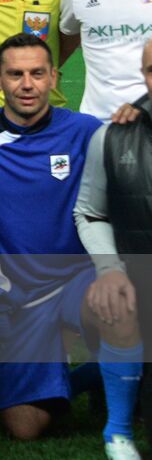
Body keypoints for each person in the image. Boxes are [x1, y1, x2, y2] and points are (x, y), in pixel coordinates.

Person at [0, 33, 142, 456]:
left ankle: (118, 432)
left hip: (78, 279)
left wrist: (142, 111)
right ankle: (90, 376)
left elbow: (134, 158)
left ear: (54, 77)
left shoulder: (86, 131)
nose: (27, 84)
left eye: (37, 73)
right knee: (25, 427)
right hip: (17, 297)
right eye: (16, 74)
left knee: (119, 300)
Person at [76, 36, 152, 451]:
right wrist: (110, 269)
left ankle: (94, 375)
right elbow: (89, 211)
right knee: (115, 297)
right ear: (143, 77)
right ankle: (118, 432)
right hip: (138, 280)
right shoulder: (113, 136)